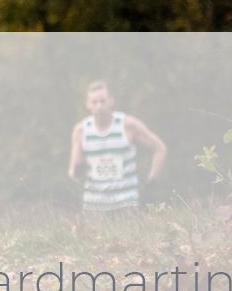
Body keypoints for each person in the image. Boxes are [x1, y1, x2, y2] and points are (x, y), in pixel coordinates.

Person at [66, 79, 165, 213]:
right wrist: (77, 172)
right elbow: (72, 171)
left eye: (103, 101)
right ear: (88, 104)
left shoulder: (128, 125)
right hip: (94, 207)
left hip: (126, 204)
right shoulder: (81, 131)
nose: (99, 106)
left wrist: (152, 183)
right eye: (95, 102)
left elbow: (159, 148)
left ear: (111, 101)